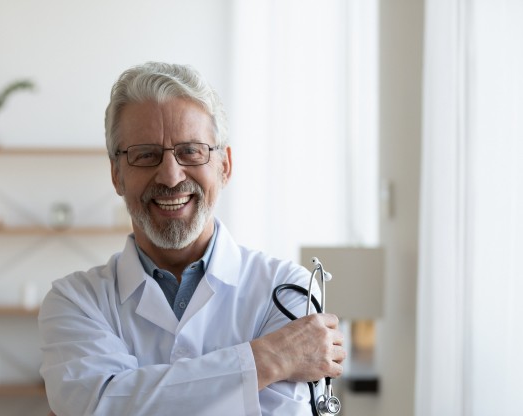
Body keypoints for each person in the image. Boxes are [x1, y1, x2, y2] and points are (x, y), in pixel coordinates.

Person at [39, 62, 345, 415]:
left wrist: (133, 395)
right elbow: (95, 407)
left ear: (225, 165)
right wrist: (266, 359)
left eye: (191, 151)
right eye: (145, 155)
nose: (170, 176)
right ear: (117, 175)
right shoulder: (75, 302)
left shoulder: (290, 290)